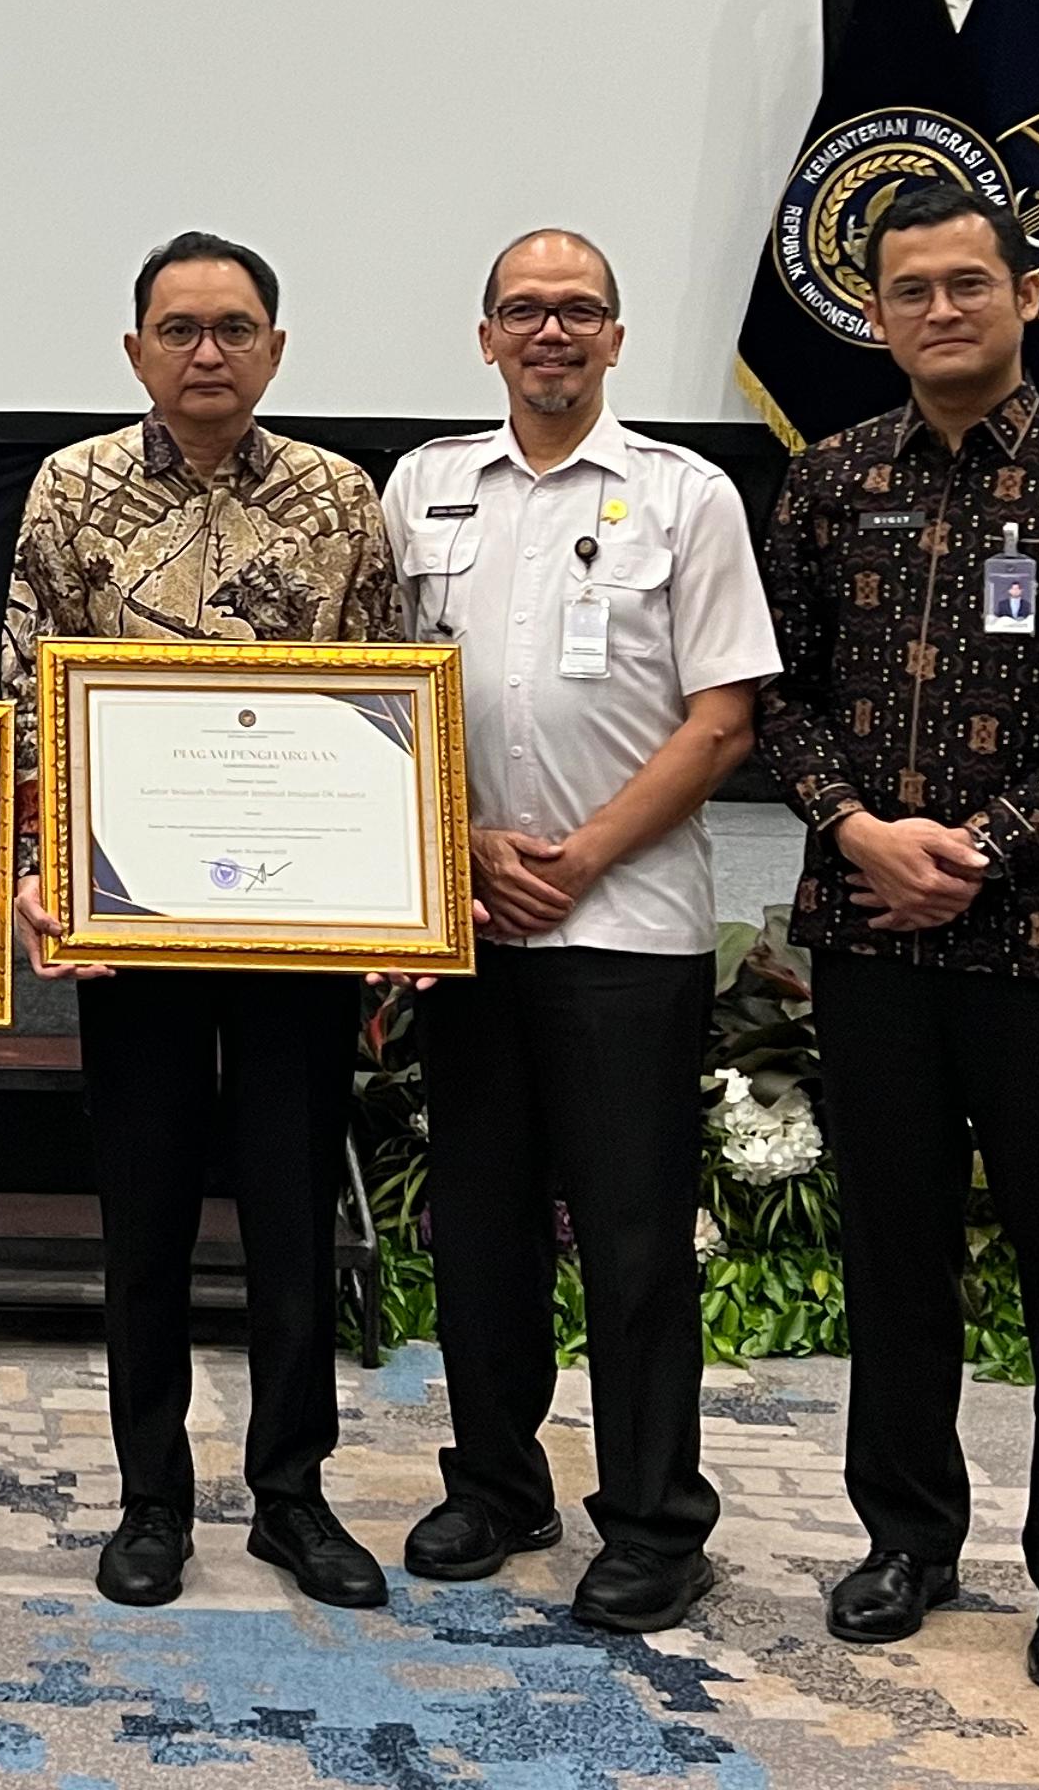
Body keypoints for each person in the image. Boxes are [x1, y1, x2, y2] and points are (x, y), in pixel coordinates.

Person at [756, 174, 1039, 1695]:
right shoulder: (829, 482)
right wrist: (860, 830)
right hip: (871, 929)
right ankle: (907, 1540)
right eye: (911, 291)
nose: (940, 310)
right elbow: (779, 695)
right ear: (874, 316)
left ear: (1026, 296)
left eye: (967, 284)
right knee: (895, 1253)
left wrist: (987, 845)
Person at [381, 231, 779, 1632]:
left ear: (615, 337)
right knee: (483, 1231)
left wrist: (586, 853)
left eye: (577, 311)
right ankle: (496, 1487)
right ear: (486, 336)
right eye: (524, 310)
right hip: (472, 919)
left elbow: (723, 720)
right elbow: (380, 696)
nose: (550, 331)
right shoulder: (422, 488)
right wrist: (464, 845)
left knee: (631, 1241)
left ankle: (657, 1524)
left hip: (630, 924)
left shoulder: (686, 495)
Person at [7, 230, 399, 1615]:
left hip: (298, 924)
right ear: (136, 352)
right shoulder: (73, 491)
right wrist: (40, 869)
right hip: (138, 920)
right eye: (179, 330)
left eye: (234, 328)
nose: (207, 352)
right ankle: (152, 1500)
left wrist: (388, 891)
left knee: (291, 1213)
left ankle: (292, 1495)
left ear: (276, 349)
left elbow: (389, 701)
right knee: (149, 1217)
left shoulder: (339, 498)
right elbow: (29, 693)